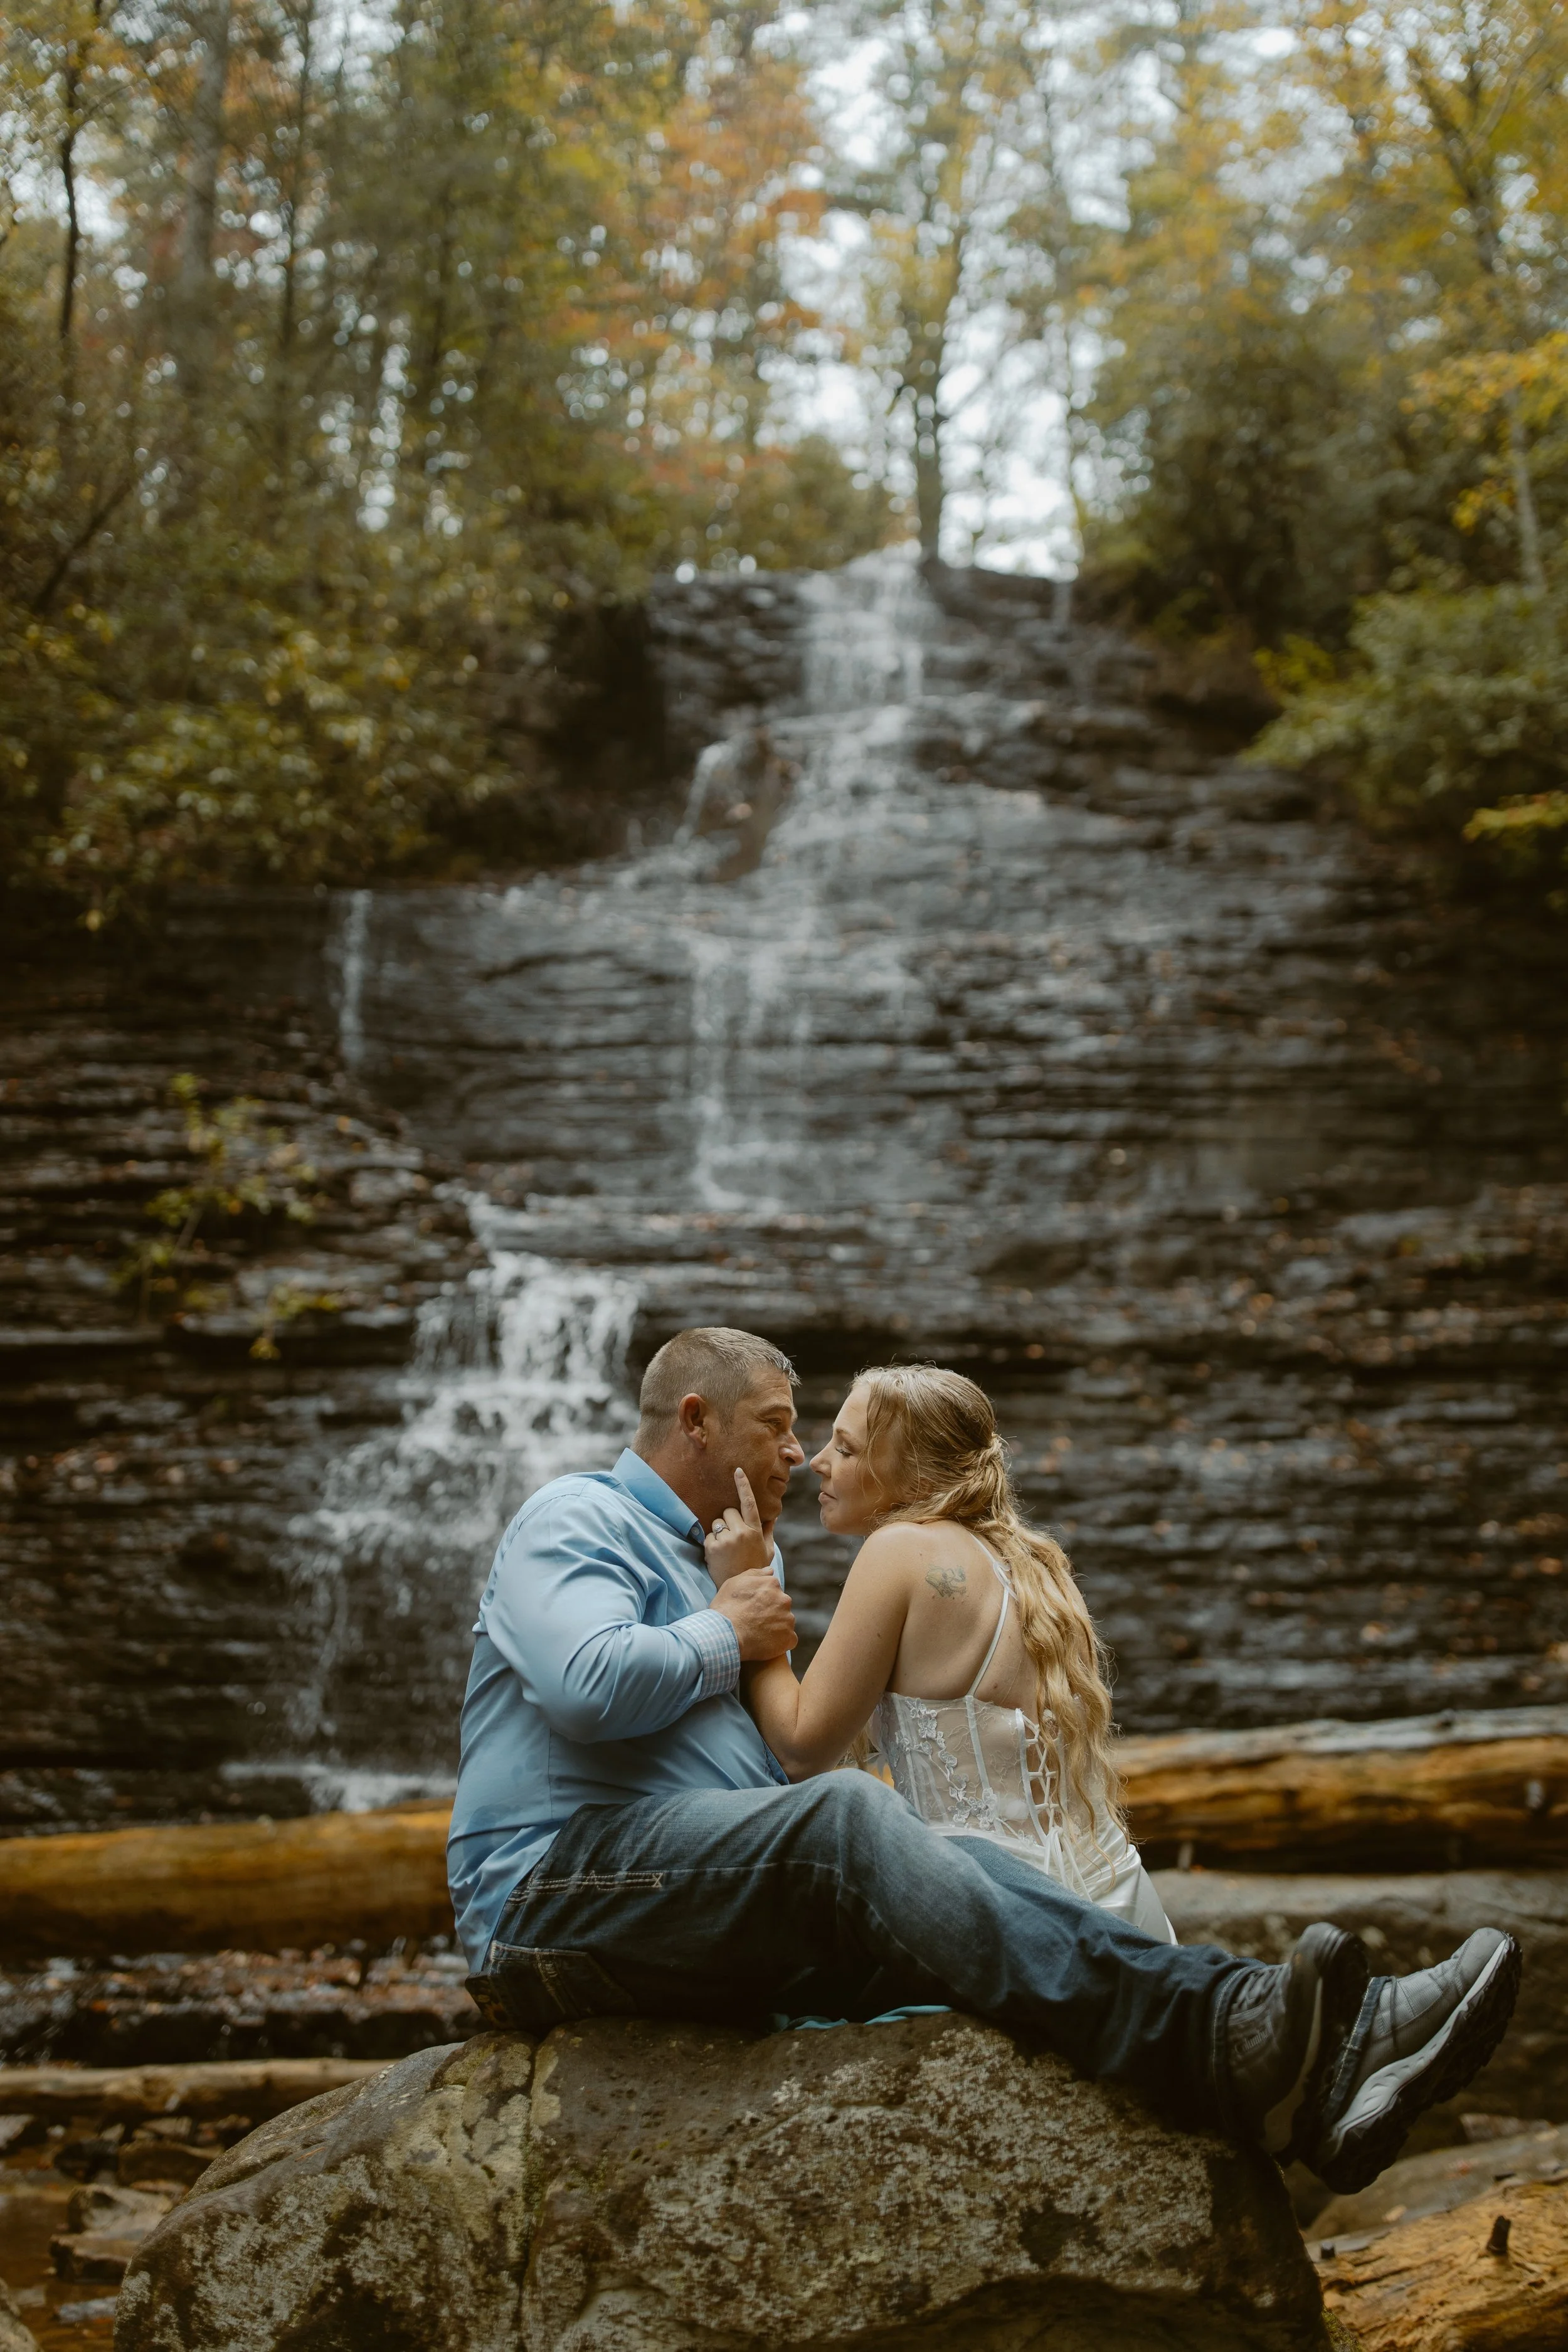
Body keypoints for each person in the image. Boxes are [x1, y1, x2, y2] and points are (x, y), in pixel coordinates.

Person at [448, 1325, 1520, 2196]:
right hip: (548, 1899)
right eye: (778, 1428)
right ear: (696, 1420)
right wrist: (731, 1631)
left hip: (679, 1910)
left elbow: (763, 1791)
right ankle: (1239, 2039)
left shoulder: (741, 1568)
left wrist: (742, 1618)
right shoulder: (577, 1516)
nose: (797, 1455)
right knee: (851, 1819)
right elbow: (585, 1687)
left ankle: (1315, 2057)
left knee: (957, 1866)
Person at [729, 1364, 1174, 1942]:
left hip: (1004, 1909)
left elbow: (799, 1749)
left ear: (910, 1472)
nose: (817, 1461)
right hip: (1117, 1892)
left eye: (846, 1447)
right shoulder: (1029, 1560)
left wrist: (749, 1590)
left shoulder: (899, 1549)